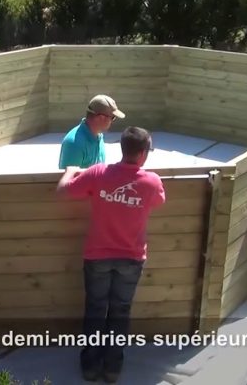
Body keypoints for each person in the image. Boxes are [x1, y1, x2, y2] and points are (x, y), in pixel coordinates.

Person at [56, 126, 166, 383]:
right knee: (120, 311)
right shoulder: (151, 182)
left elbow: (63, 191)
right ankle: (113, 368)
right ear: (142, 154)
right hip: (131, 258)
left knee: (95, 309)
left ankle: (90, 367)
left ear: (123, 148)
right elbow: (159, 201)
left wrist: (71, 170)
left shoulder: (98, 173)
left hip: (97, 257)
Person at [58, 94, 126, 169]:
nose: (112, 121)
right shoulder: (74, 143)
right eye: (113, 117)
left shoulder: (98, 135)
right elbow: (69, 179)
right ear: (101, 117)